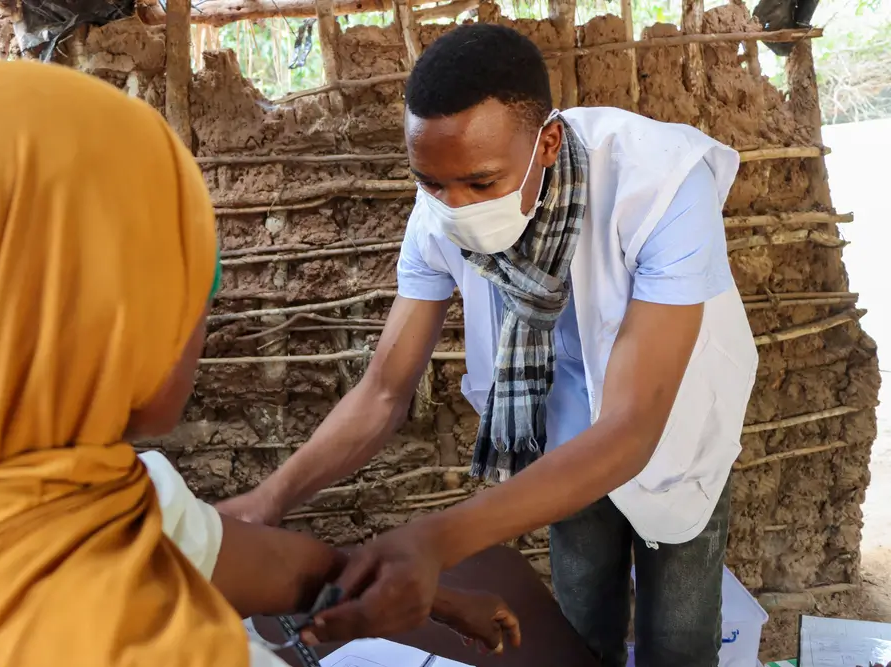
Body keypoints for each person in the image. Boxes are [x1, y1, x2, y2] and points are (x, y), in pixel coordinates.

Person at [0, 60, 518, 667]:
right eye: (188, 284)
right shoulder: (123, 639)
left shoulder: (82, 496)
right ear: (103, 319)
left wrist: (433, 598)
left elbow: (258, 562)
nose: (198, 325)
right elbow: (383, 391)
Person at [220, 23, 758, 667]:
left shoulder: (660, 185)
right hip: (560, 440)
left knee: (679, 638)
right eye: (431, 183)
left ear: (547, 143)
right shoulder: (437, 216)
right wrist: (270, 498)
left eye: (480, 183)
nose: (456, 208)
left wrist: (435, 541)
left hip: (670, 432)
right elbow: (385, 391)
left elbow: (632, 427)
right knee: (580, 632)